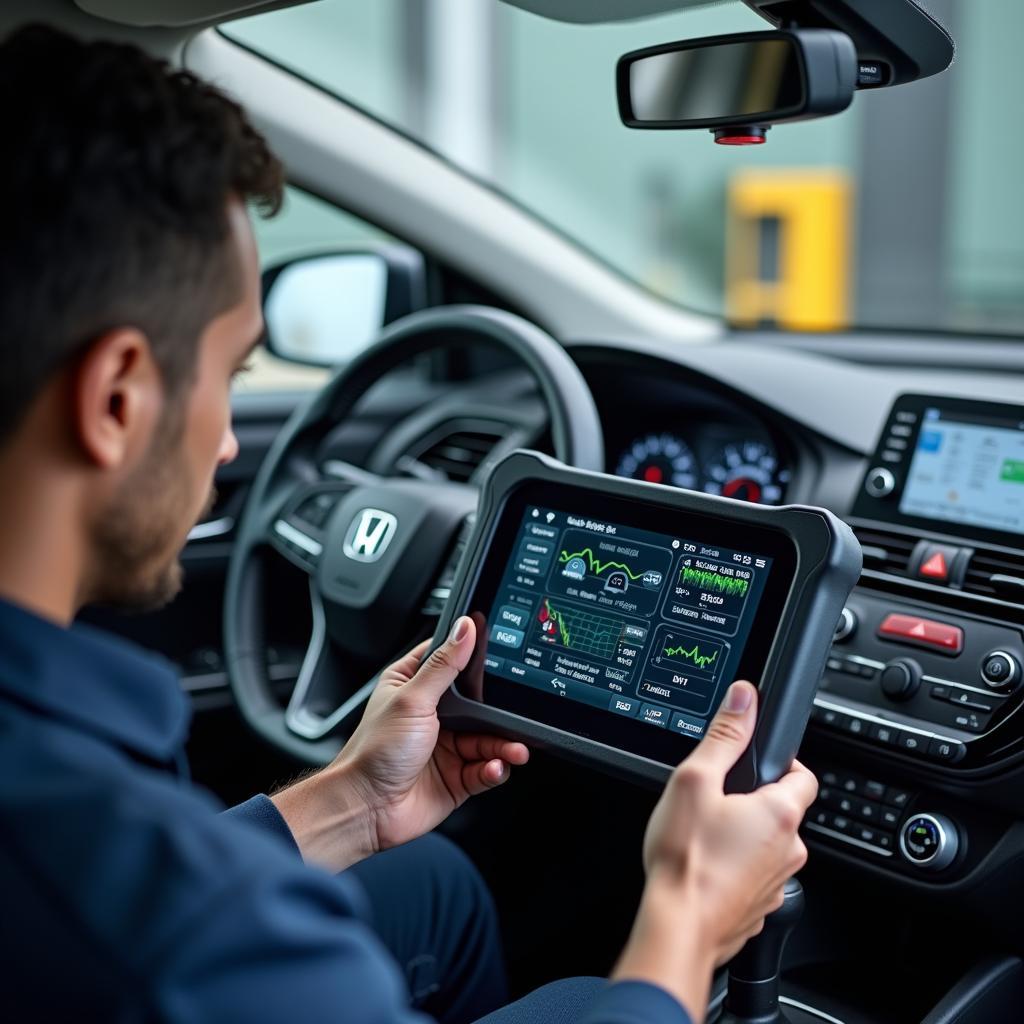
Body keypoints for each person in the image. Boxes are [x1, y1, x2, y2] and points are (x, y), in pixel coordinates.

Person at [0, 24, 817, 1024]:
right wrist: (689, 918)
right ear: (118, 398)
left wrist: (350, 799)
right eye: (232, 372)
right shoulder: (181, 943)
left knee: (433, 881)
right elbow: (160, 908)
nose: (223, 447)